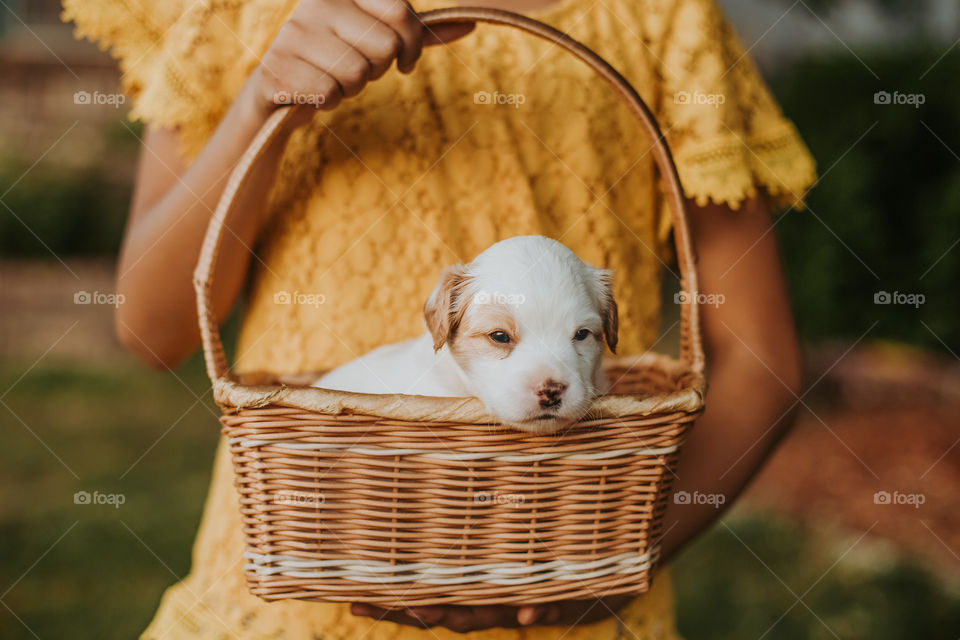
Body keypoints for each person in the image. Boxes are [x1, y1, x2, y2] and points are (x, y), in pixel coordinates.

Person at [62, 0, 816, 636]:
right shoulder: (239, 10)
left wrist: (618, 557)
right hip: (293, 585)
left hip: (561, 589)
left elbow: (762, 360)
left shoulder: (659, 15)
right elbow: (153, 328)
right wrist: (265, 100)